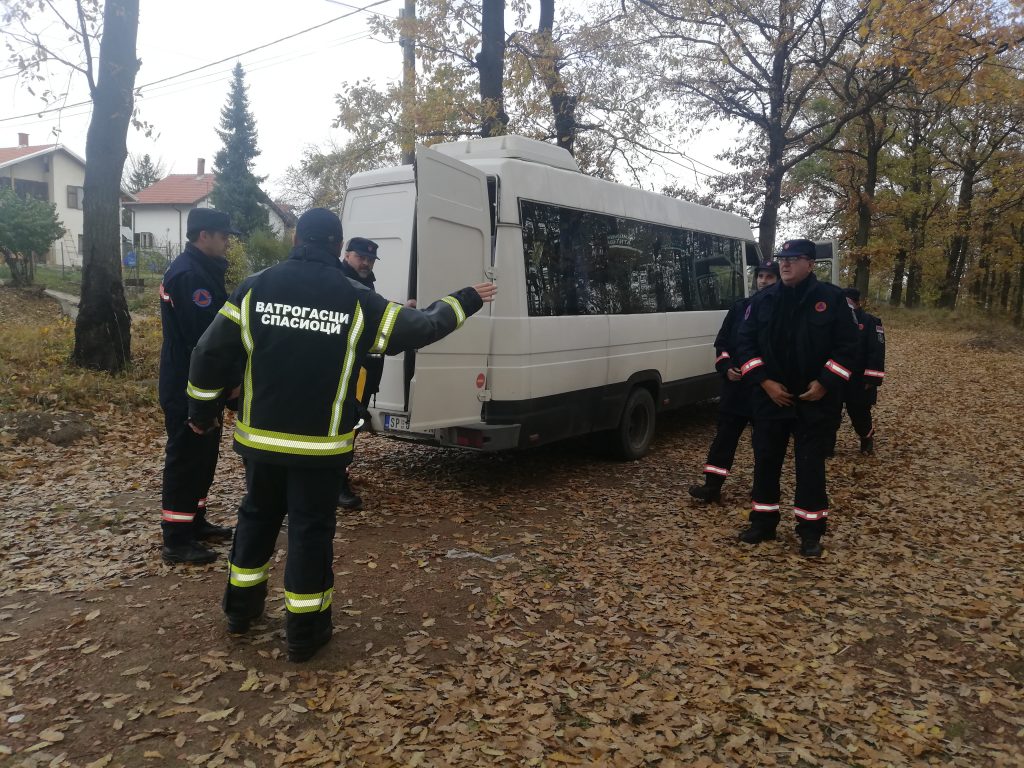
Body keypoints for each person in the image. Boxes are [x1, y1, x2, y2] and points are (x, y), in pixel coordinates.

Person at [186, 208, 496, 662]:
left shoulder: (255, 287)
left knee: (255, 519)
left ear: (296, 239)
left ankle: (240, 612)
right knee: (309, 533)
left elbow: (208, 352)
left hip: (260, 443)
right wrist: (465, 299)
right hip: (320, 448)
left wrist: (201, 409)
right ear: (337, 246)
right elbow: (423, 327)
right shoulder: (355, 298)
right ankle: (304, 633)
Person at [735, 238, 860, 557]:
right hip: (770, 399)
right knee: (766, 462)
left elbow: (849, 347)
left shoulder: (832, 299)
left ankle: (810, 531)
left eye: (793, 258)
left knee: (810, 467)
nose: (785, 263)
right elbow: (744, 344)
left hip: (814, 401)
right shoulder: (763, 300)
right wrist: (765, 382)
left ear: (811, 264)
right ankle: (763, 523)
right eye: (782, 258)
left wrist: (825, 383)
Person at [158, 208, 239, 565]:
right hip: (187, 385)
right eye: (223, 235)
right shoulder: (190, 275)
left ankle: (194, 521)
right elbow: (205, 340)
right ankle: (176, 539)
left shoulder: (203, 270)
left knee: (203, 457)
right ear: (203, 235)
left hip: (202, 384)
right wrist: (231, 380)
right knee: (186, 459)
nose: (227, 242)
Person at [689, 260, 779, 503]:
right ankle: (711, 487)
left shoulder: (783, 311)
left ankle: (762, 490)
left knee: (765, 444)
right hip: (736, 389)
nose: (763, 281)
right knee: (724, 439)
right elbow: (723, 344)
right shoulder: (740, 308)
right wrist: (726, 367)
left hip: (765, 390)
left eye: (770, 277)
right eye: (761, 276)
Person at [336, 237, 383, 510]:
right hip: (344, 367)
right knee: (343, 426)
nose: (366, 263)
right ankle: (336, 484)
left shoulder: (366, 282)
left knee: (352, 426)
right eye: (361, 257)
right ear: (347, 255)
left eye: (370, 259)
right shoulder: (340, 281)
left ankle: (339, 476)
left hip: (364, 367)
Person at [826, 288, 885, 456]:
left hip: (859, 378)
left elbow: (876, 351)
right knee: (830, 413)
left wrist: (872, 378)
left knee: (859, 412)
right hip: (836, 375)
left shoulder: (871, 322)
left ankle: (866, 439)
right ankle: (827, 446)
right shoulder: (833, 319)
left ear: (857, 303)